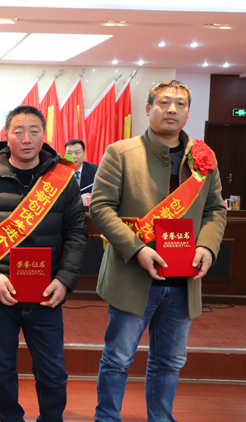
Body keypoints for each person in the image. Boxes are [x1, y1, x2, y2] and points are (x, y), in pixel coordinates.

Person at [91, 80, 227, 422]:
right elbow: (100, 208)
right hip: (132, 276)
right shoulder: (121, 152)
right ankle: (107, 418)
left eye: (180, 104)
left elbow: (215, 210)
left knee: (170, 360)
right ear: (148, 108)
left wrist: (207, 247)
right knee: (118, 358)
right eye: (164, 102)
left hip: (183, 280)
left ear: (188, 113)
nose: (172, 109)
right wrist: (137, 249)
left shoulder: (203, 157)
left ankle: (161, 418)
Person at [0, 105, 87, 422]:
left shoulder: (62, 178)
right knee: (2, 366)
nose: (26, 139)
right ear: (6, 136)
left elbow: (76, 233)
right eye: (18, 131)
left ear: (44, 135)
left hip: (46, 292)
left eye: (34, 131)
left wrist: (64, 280)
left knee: (53, 370)